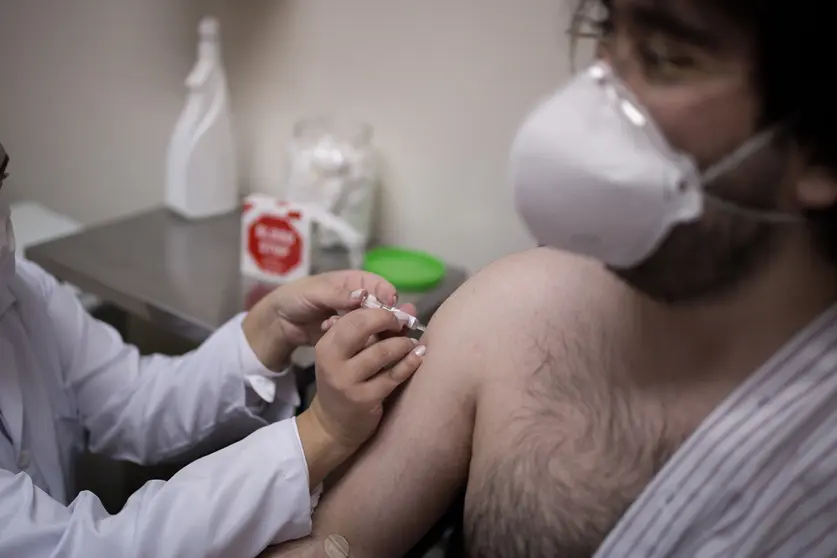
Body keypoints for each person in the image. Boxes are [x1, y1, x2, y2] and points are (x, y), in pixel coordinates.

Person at [266, 0, 837, 556]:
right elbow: (336, 547)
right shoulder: (516, 311)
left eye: (667, 56)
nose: (597, 98)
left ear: (818, 151)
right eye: (607, 33)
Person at [0, 140, 428, 557]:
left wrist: (270, 326)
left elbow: (134, 401)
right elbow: (92, 549)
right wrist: (324, 431)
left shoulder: (20, 288)